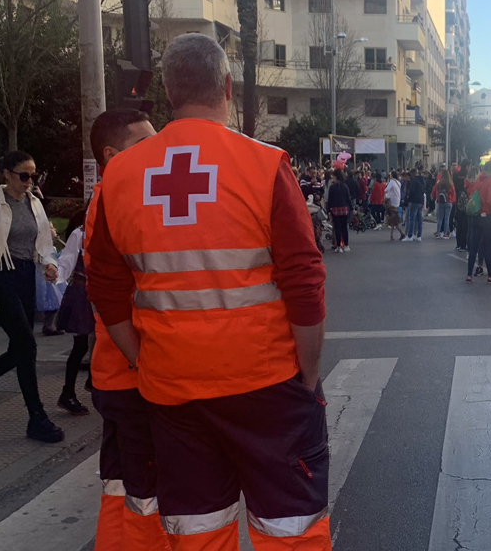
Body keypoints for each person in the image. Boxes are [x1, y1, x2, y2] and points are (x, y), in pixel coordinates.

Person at [86, 34, 330, 550]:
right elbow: (304, 282)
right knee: (289, 530)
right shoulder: (264, 165)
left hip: (173, 390)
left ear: (170, 92)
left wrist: (140, 358)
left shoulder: (120, 176)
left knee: (197, 527)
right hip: (265, 382)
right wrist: (308, 376)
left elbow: (106, 286)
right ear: (227, 86)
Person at [79, 108, 170, 549]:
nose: (156, 152)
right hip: (133, 372)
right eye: (143, 144)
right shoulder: (116, 200)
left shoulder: (108, 199)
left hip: (115, 372)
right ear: (113, 155)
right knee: (145, 493)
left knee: (120, 482)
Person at [0, 151, 64, 443]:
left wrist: (50, 264)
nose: (29, 181)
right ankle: (37, 417)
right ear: (7, 173)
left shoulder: (34, 203)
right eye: (24, 175)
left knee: (21, 346)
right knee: (26, 344)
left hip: (25, 277)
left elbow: (44, 243)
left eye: (33, 175)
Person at [55, 211, 93, 415]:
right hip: (82, 291)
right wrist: (56, 277)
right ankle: (68, 393)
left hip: (96, 292)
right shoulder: (80, 234)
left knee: (102, 339)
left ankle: (93, 381)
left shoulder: (105, 231)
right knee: (80, 345)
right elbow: (66, 262)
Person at [465, 160, 491, 284]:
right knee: (488, 246)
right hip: (489, 217)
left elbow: (472, 195)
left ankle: (469, 275)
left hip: (476, 216)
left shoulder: (478, 180)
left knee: (474, 246)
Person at [327, 169, 352, 252]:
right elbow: (348, 199)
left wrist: (328, 210)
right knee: (344, 227)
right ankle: (346, 245)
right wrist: (352, 208)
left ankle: (338, 246)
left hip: (335, 210)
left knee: (337, 228)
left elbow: (329, 200)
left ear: (336, 177)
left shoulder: (332, 187)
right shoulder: (345, 186)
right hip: (344, 209)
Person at [403, 167, 426, 241]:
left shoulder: (414, 181)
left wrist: (408, 200)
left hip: (414, 201)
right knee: (419, 219)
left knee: (411, 218)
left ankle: (410, 236)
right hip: (421, 201)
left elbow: (411, 191)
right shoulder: (422, 180)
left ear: (412, 174)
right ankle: (419, 236)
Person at [432, 169, 456, 239]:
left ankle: (438, 233)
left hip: (441, 202)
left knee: (440, 218)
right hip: (449, 201)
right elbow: (453, 192)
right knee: (447, 218)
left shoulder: (439, 183)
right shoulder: (450, 183)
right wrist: (453, 200)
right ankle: (445, 233)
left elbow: (436, 190)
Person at [384, 169, 406, 241]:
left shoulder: (392, 182)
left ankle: (401, 234)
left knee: (393, 220)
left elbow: (386, 190)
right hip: (397, 202)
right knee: (394, 220)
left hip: (391, 202)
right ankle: (393, 235)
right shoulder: (398, 182)